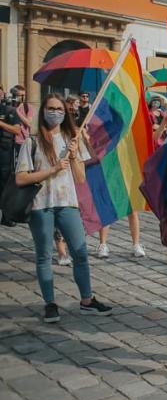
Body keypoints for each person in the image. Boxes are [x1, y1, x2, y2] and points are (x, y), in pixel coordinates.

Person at [15, 93, 112, 323]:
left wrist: (75, 153)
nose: (55, 112)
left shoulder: (71, 138)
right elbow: (21, 179)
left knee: (80, 252)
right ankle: (50, 303)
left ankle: (87, 300)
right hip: (41, 205)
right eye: (51, 108)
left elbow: (79, 178)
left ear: (65, 113)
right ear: (43, 111)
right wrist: (54, 169)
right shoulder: (33, 141)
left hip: (67, 203)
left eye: (59, 109)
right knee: (44, 256)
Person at [0, 89, 22, 226]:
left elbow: (17, 130)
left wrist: (1, 124)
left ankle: (6, 216)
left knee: (5, 182)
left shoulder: (9, 111)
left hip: (4, 150)